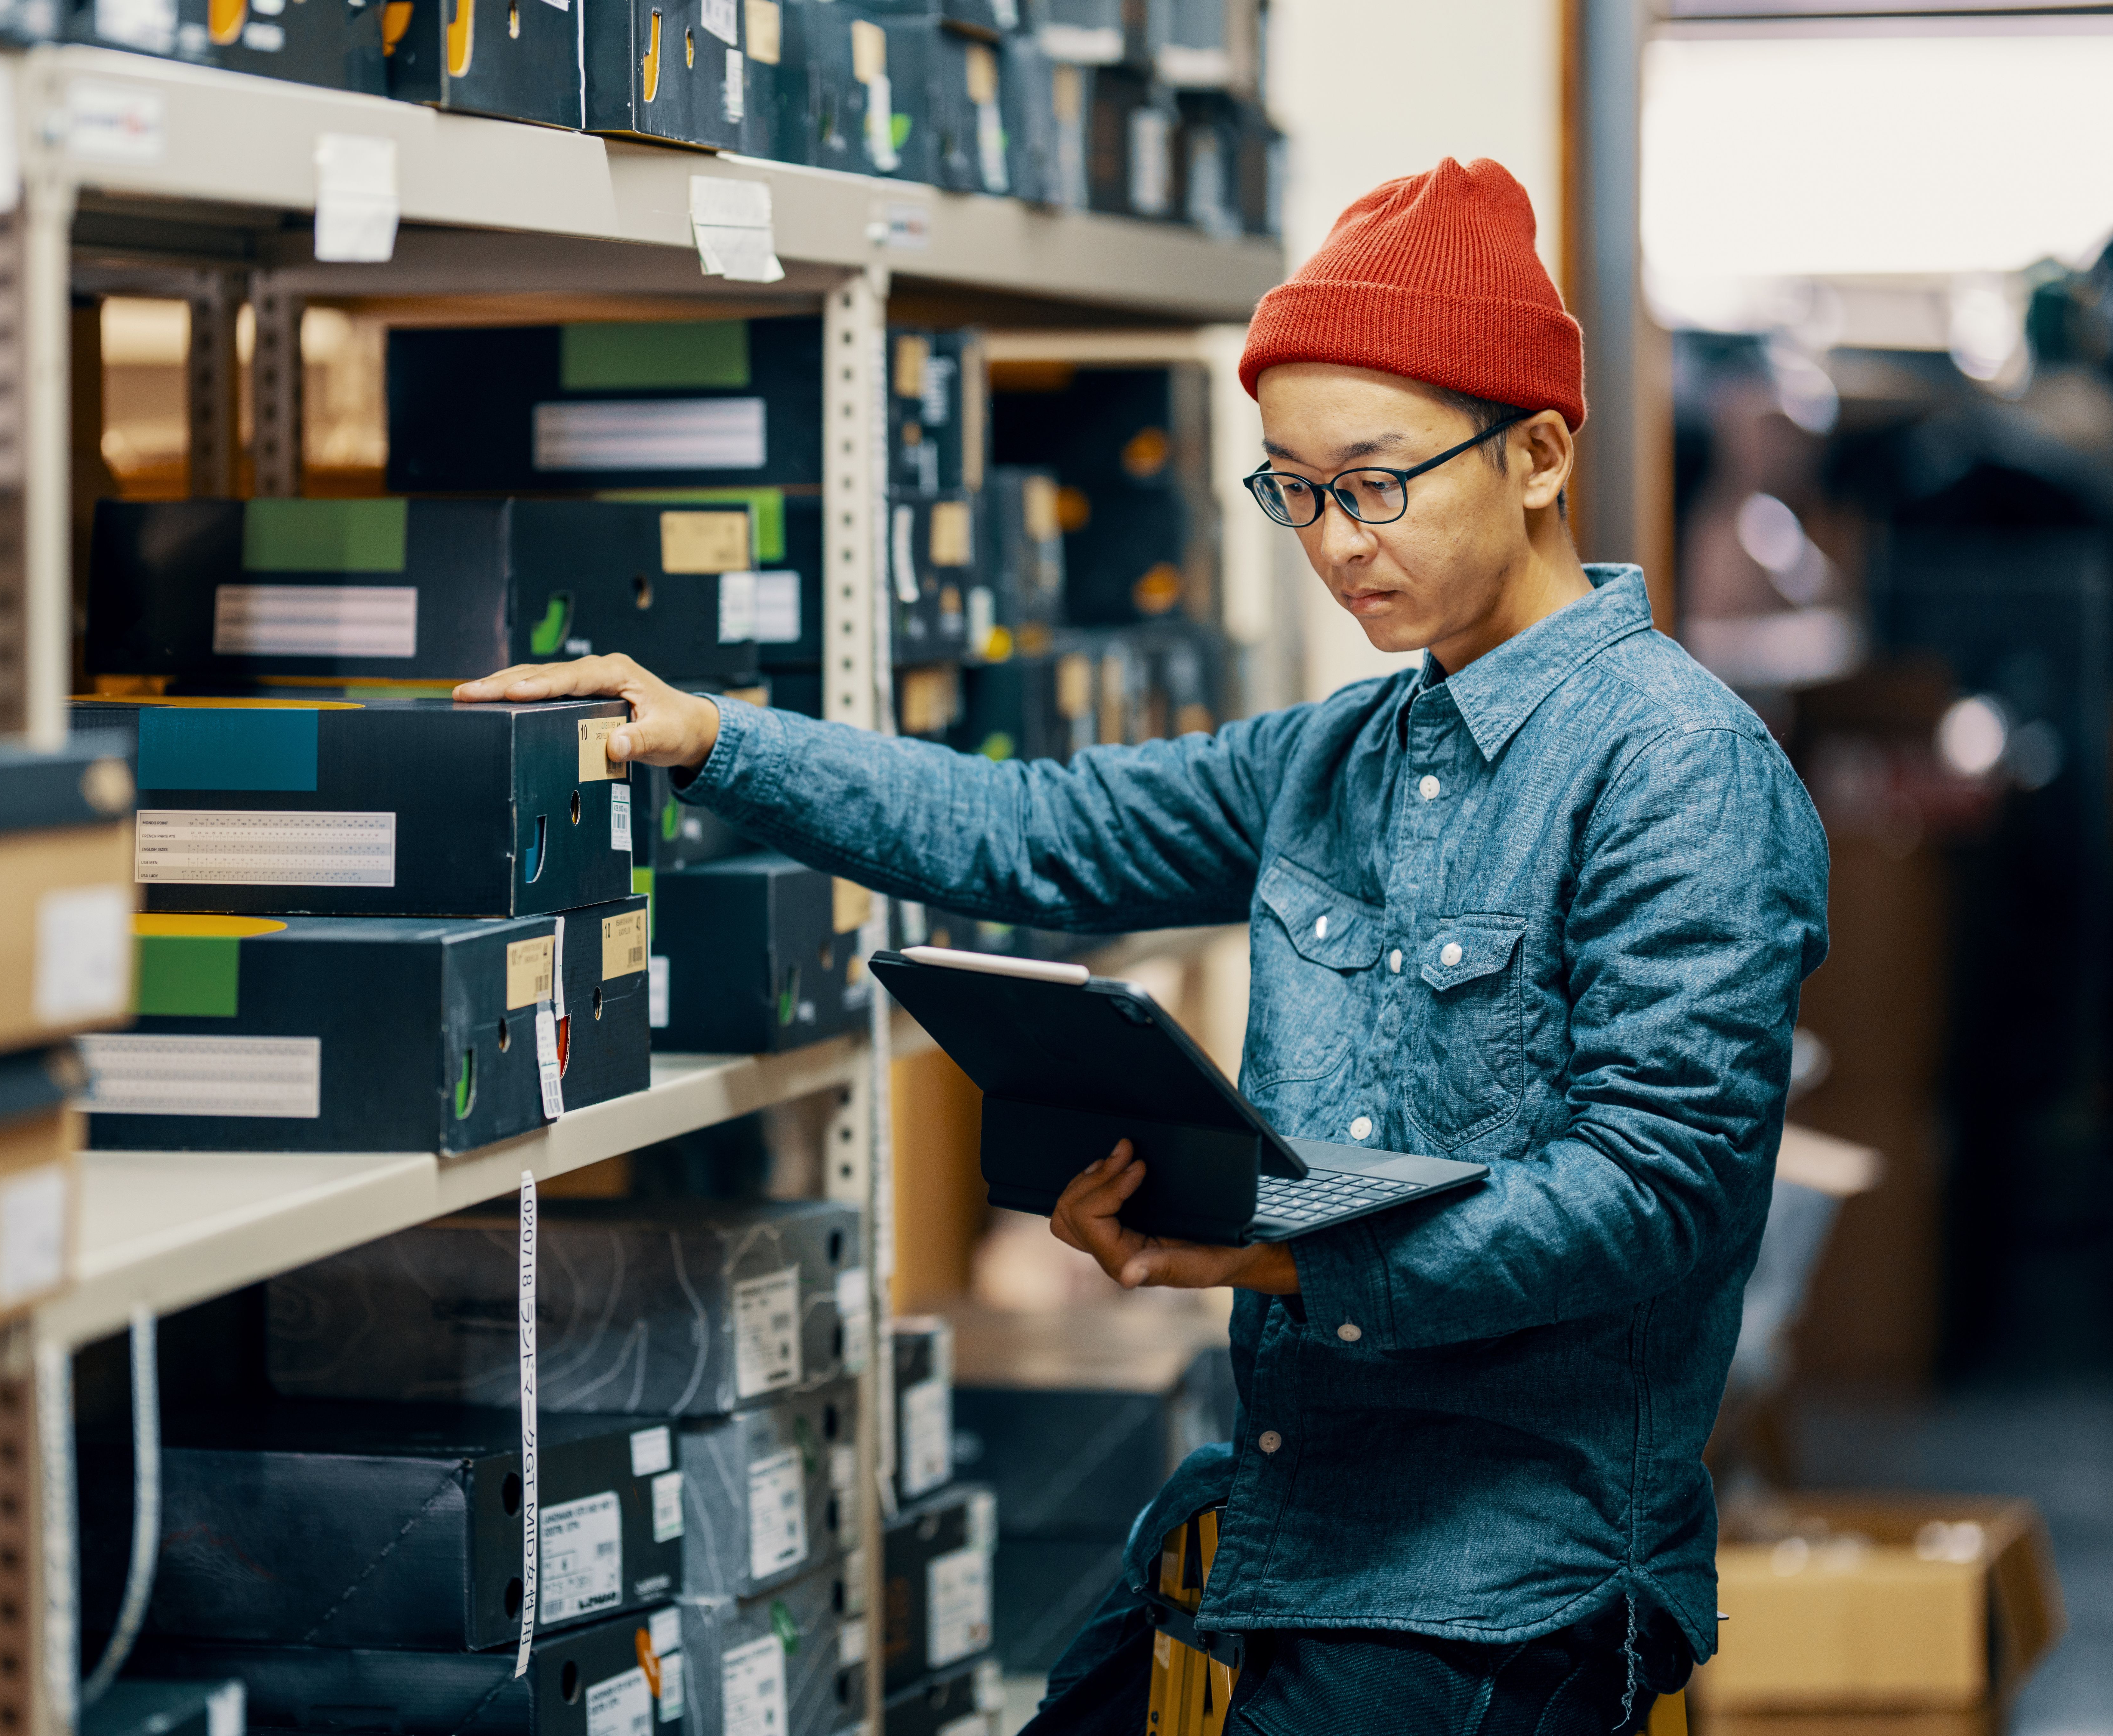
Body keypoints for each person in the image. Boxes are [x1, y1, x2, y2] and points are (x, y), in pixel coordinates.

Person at [456, 158, 1828, 1734]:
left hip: (1494, 1597)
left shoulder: (1677, 769)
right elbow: (1029, 828)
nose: (1330, 541)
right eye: (1290, 488)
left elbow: (1651, 1191)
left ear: (1534, 453)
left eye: (1371, 483)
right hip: (1281, 1516)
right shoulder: (1342, 753)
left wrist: (1273, 1253)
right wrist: (713, 740)